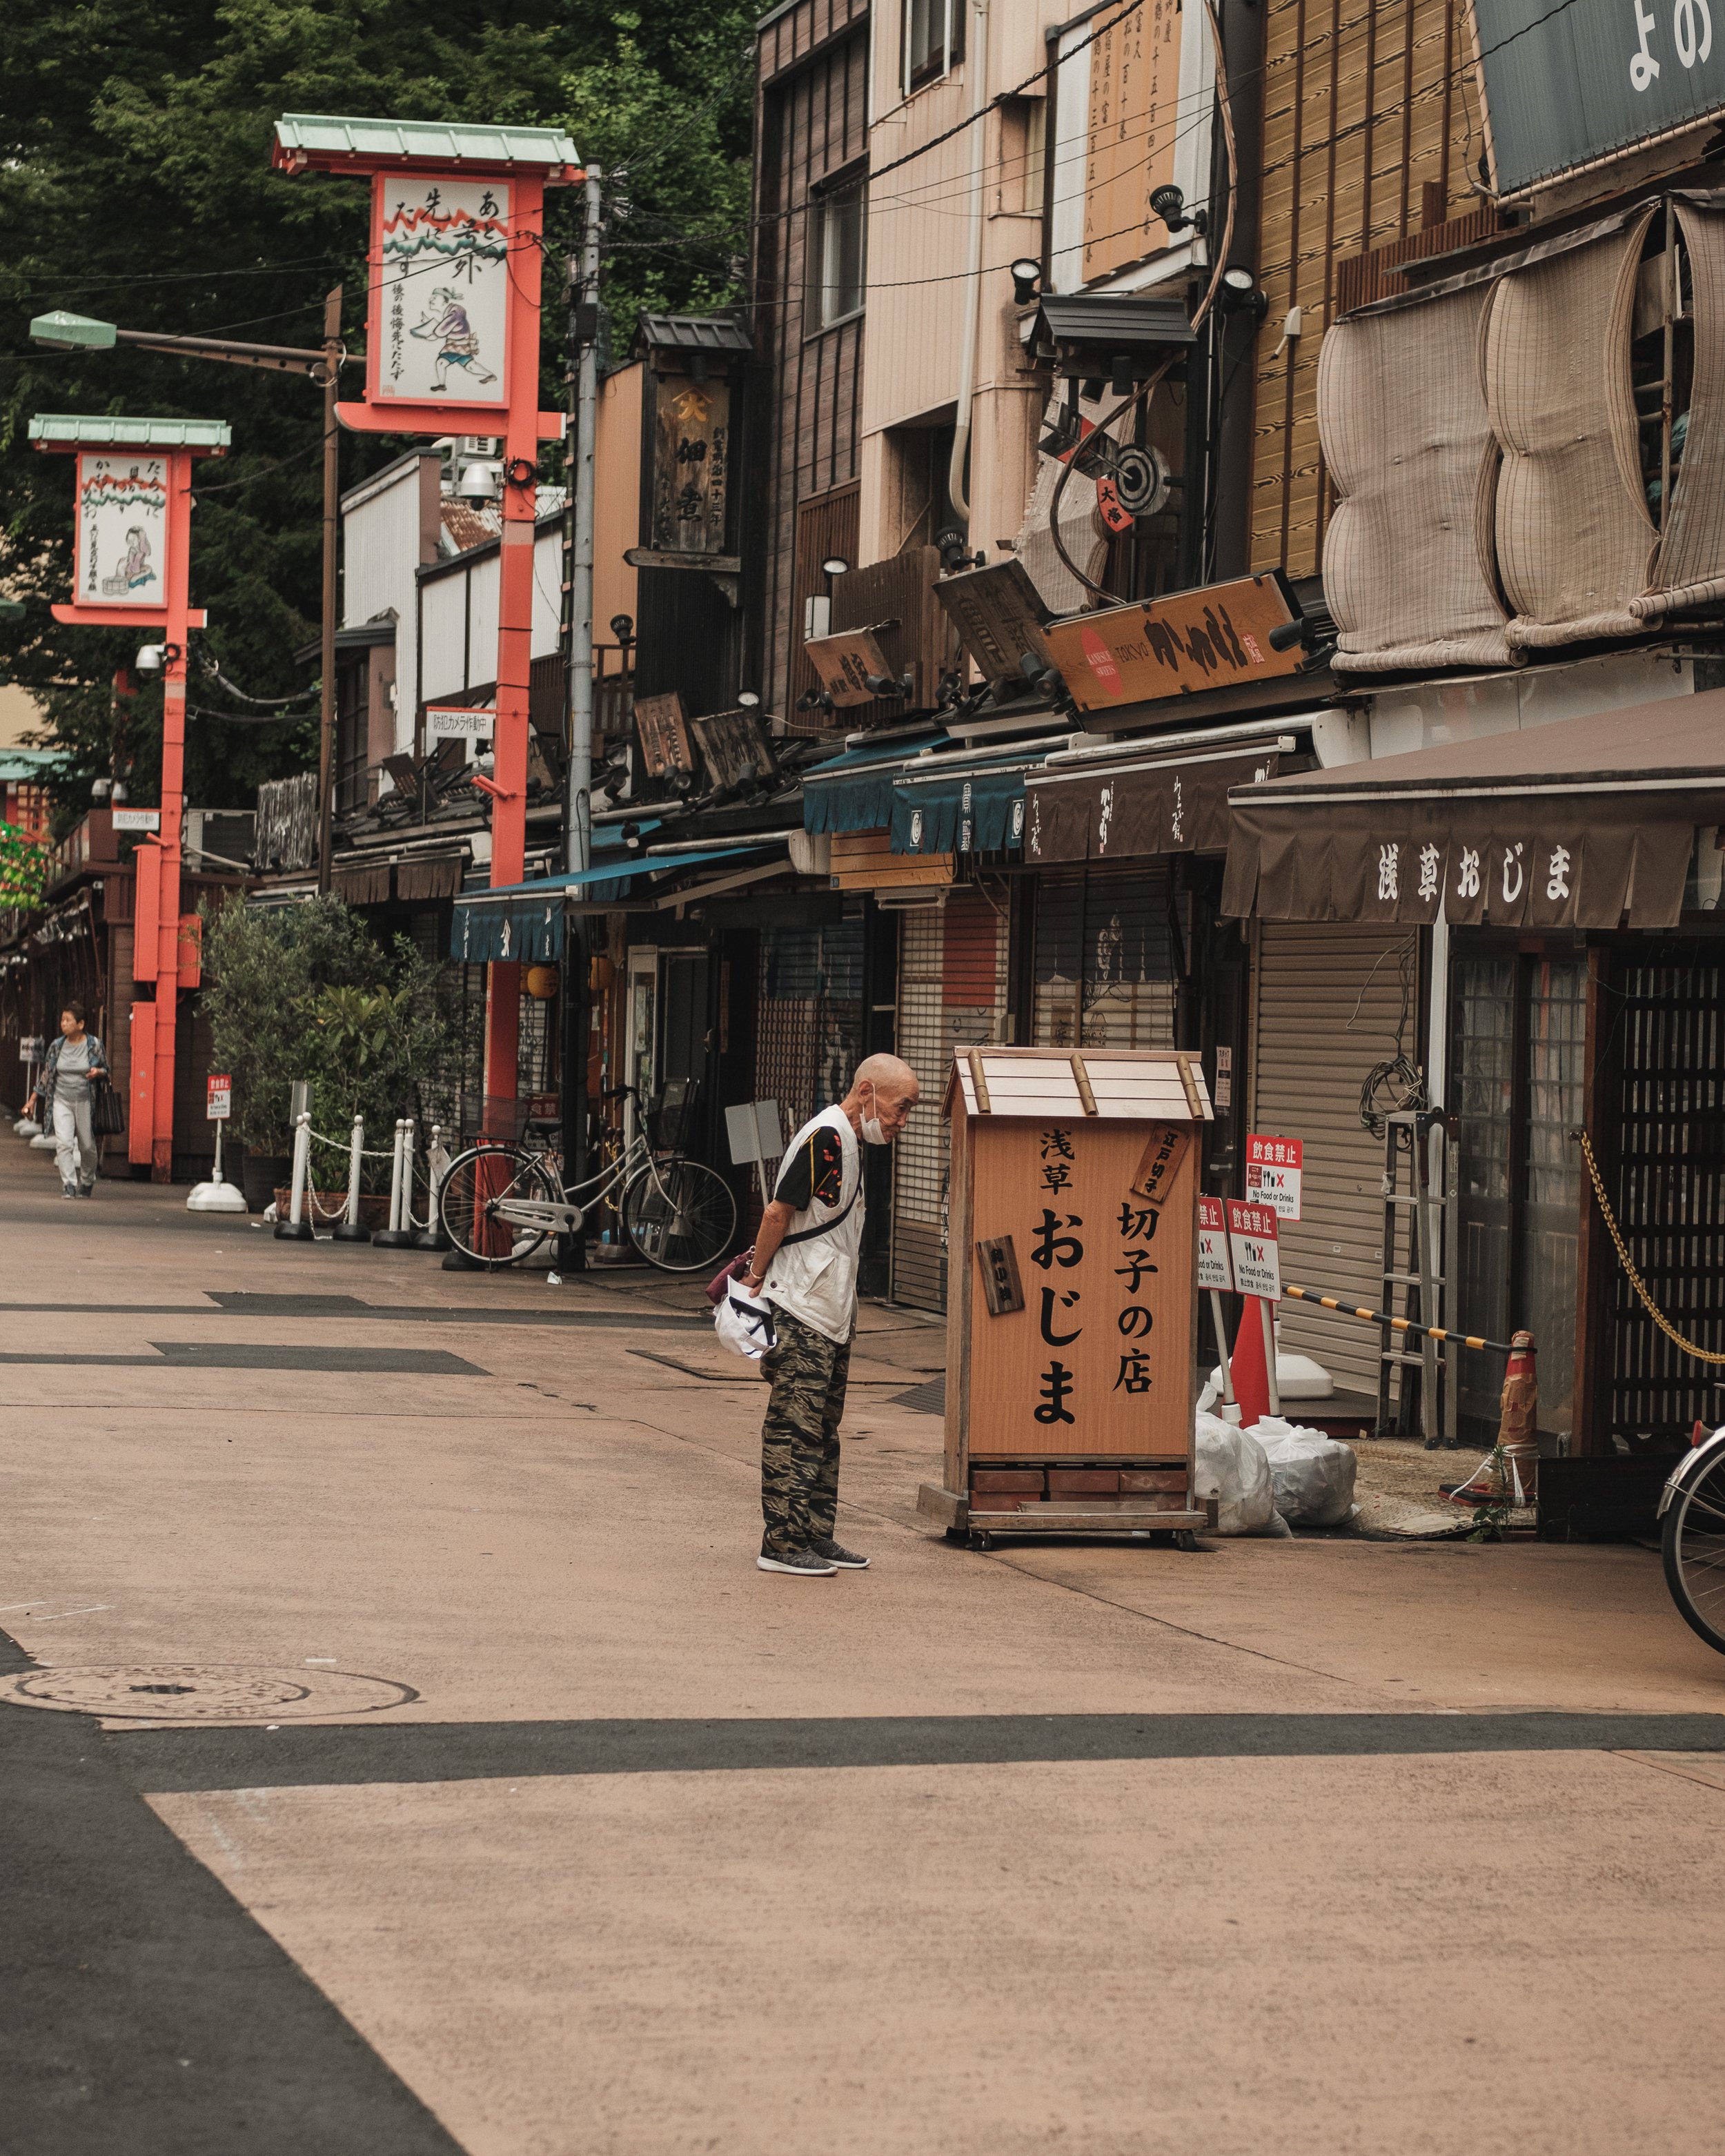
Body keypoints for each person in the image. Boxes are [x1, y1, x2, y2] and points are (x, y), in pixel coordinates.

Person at [743, 1053, 920, 1576]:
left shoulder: (850, 1142)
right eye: (899, 1107)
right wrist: (756, 1273)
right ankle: (781, 1541)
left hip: (831, 1306)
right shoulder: (827, 1137)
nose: (902, 1121)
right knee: (793, 1426)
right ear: (867, 1092)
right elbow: (778, 1210)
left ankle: (815, 1533)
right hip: (803, 1305)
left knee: (823, 1426)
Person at [23, 1002, 109, 1199]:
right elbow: (46, 1075)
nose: (63, 1024)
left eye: (68, 1020)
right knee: (64, 1143)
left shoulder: (94, 1045)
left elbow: (106, 1070)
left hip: (86, 1101)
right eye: (62, 1020)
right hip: (61, 1100)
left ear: (80, 1024)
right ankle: (69, 1184)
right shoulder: (57, 1046)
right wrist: (32, 1101)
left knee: (87, 1145)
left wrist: (98, 1072)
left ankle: (87, 1181)